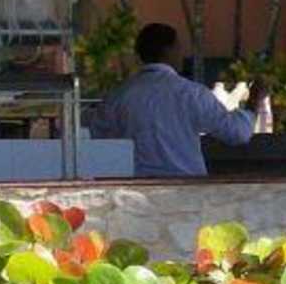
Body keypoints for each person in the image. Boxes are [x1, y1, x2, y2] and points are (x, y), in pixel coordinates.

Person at [89, 22, 268, 179]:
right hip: (186, 187)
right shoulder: (191, 94)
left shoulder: (118, 96)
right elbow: (237, 133)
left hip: (135, 189)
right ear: (169, 50)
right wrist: (254, 99)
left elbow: (95, 136)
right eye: (179, 47)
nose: (181, 54)